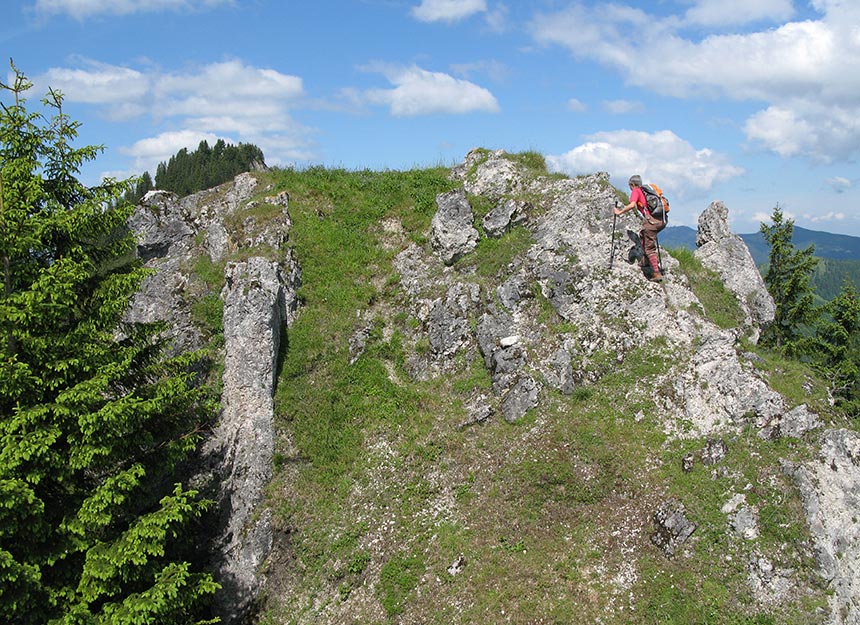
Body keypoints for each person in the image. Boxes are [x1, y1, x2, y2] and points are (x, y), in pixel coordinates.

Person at [614, 175, 665, 282]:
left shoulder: (636, 191)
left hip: (651, 222)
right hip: (662, 220)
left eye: (630, 186)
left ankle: (656, 273)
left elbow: (632, 205)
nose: (630, 188)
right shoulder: (647, 191)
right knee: (643, 236)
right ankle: (645, 261)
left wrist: (620, 212)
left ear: (632, 184)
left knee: (649, 247)